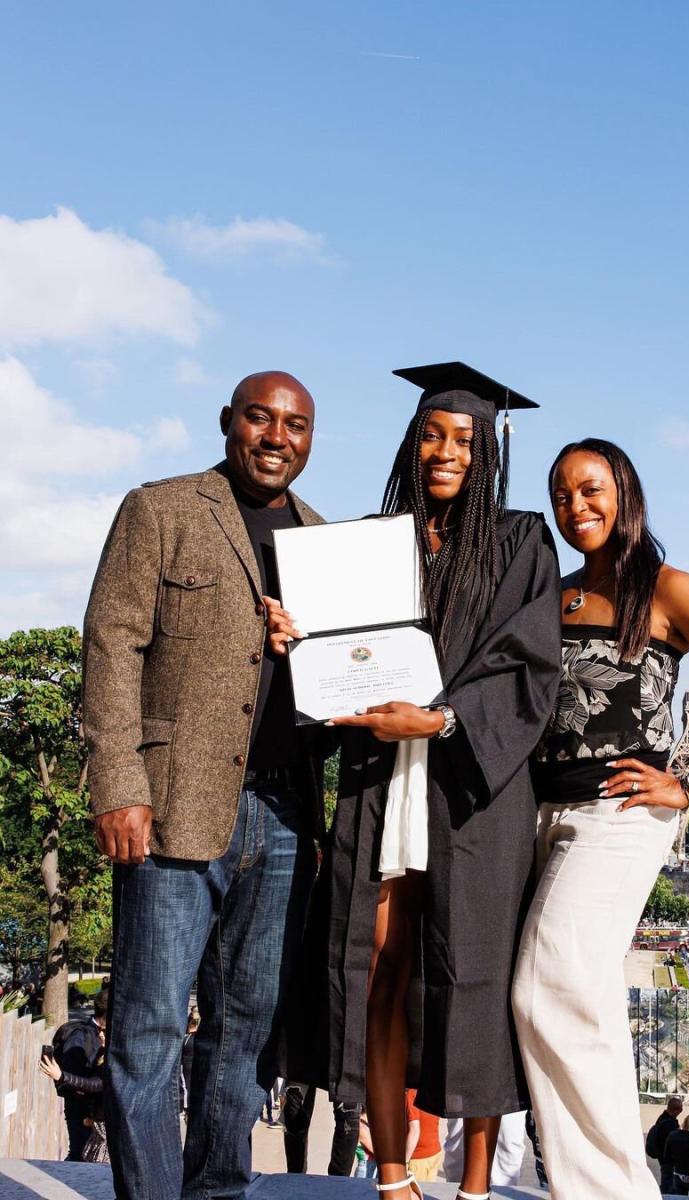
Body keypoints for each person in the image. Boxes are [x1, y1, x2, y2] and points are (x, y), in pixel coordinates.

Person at [271, 362, 562, 1200]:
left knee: (474, 974)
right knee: (381, 966)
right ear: (411, 441)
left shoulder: (521, 543)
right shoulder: (370, 540)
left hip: (471, 781)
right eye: (432, 434)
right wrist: (298, 640)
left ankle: (475, 1182)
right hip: (379, 775)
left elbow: (526, 670)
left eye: (465, 441)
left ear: (489, 455)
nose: (446, 452)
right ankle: (393, 1175)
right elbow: (330, 659)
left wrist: (438, 720)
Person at [511, 438, 689, 1199]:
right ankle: (613, 1184)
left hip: (621, 812)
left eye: (593, 489)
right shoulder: (554, 595)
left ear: (625, 493)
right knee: (587, 999)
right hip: (543, 811)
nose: (578, 507)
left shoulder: (669, 589)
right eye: (563, 493)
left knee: (547, 986)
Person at [83, 372, 323, 1200]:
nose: (275, 436)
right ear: (229, 422)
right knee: (148, 1028)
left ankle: (216, 1190)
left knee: (247, 1031)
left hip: (286, 815)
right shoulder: (162, 510)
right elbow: (110, 646)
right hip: (171, 803)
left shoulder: (324, 544)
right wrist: (118, 782)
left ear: (310, 439)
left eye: (295, 425)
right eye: (260, 417)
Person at [39, 989, 109, 1161]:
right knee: (80, 1154)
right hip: (82, 1112)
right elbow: (79, 1081)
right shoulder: (80, 1037)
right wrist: (87, 1115)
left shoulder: (102, 1036)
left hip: (96, 1112)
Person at [645, 1097, 683, 1194]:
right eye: (680, 1109)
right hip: (668, 1160)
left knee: (668, 1183)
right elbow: (673, 1143)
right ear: (676, 1110)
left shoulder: (662, 1119)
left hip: (663, 1158)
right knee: (668, 1185)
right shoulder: (669, 1124)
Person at [405, 1089, 442, 1183]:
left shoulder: (411, 1093)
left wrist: (404, 1162)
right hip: (435, 1152)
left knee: (415, 1194)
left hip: (418, 1158)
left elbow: (414, 1130)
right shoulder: (432, 1089)